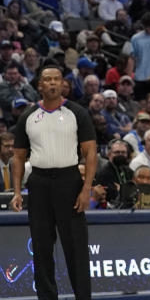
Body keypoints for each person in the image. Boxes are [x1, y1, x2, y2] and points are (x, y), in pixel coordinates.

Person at [11, 64, 97, 300]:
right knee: (41, 247)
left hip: (69, 181)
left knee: (76, 248)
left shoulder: (77, 112)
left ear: (63, 84)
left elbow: (90, 152)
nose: (52, 83)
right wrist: (17, 192)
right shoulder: (28, 116)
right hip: (38, 183)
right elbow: (18, 157)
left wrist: (86, 188)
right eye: (47, 79)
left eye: (56, 79)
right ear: (39, 85)